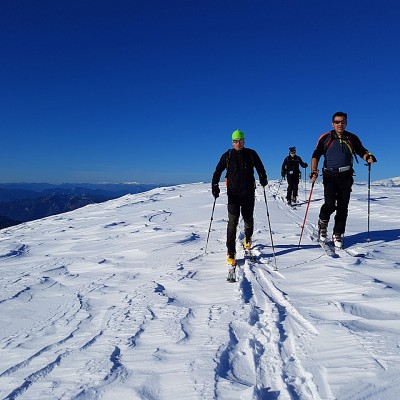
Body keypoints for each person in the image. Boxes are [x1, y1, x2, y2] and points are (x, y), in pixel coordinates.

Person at [310, 112, 377, 248]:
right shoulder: (325, 138)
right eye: (337, 122)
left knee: (343, 207)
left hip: (345, 176)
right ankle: (323, 222)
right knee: (330, 205)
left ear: (346, 123)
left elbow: (361, 150)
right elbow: (316, 155)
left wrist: (368, 157)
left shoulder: (351, 137)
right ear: (332, 123)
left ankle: (338, 233)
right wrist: (314, 170)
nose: (340, 124)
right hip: (329, 175)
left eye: (343, 122)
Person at [211, 129, 268, 266]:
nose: (238, 143)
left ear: (244, 141)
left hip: (248, 193)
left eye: (240, 140)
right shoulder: (227, 156)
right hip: (233, 195)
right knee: (232, 223)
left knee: (248, 219)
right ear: (232, 142)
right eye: (235, 141)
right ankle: (231, 252)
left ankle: (247, 239)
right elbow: (218, 171)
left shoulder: (251, 153)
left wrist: (263, 177)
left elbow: (260, 167)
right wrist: (214, 185)